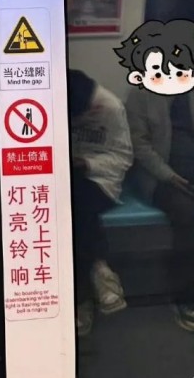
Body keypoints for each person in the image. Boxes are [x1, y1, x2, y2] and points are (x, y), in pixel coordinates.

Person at [122, 18, 194, 331]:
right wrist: (169, 176)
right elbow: (139, 145)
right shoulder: (142, 93)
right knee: (188, 217)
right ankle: (185, 296)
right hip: (162, 175)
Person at [68, 70, 133, 336]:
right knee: (69, 204)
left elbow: (123, 157)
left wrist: (87, 163)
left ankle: (81, 300)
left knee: (74, 208)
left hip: (101, 179)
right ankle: (98, 266)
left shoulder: (111, 107)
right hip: (66, 177)